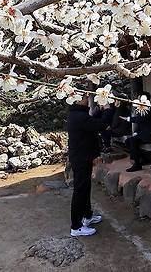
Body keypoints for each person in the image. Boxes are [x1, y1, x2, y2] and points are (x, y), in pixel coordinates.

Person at [67, 94, 104, 237]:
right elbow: (98, 125)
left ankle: (87, 216)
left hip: (82, 156)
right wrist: (107, 110)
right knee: (80, 191)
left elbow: (91, 120)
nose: (87, 98)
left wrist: (100, 110)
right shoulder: (78, 116)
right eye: (83, 97)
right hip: (81, 158)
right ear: (76, 100)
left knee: (85, 187)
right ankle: (76, 227)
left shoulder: (77, 114)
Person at [123, 92, 151, 172]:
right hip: (143, 133)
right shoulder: (142, 108)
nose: (139, 100)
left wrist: (128, 119)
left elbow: (139, 119)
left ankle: (137, 164)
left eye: (140, 98)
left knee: (133, 141)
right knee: (128, 141)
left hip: (150, 134)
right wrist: (136, 132)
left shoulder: (149, 108)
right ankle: (142, 158)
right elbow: (140, 123)